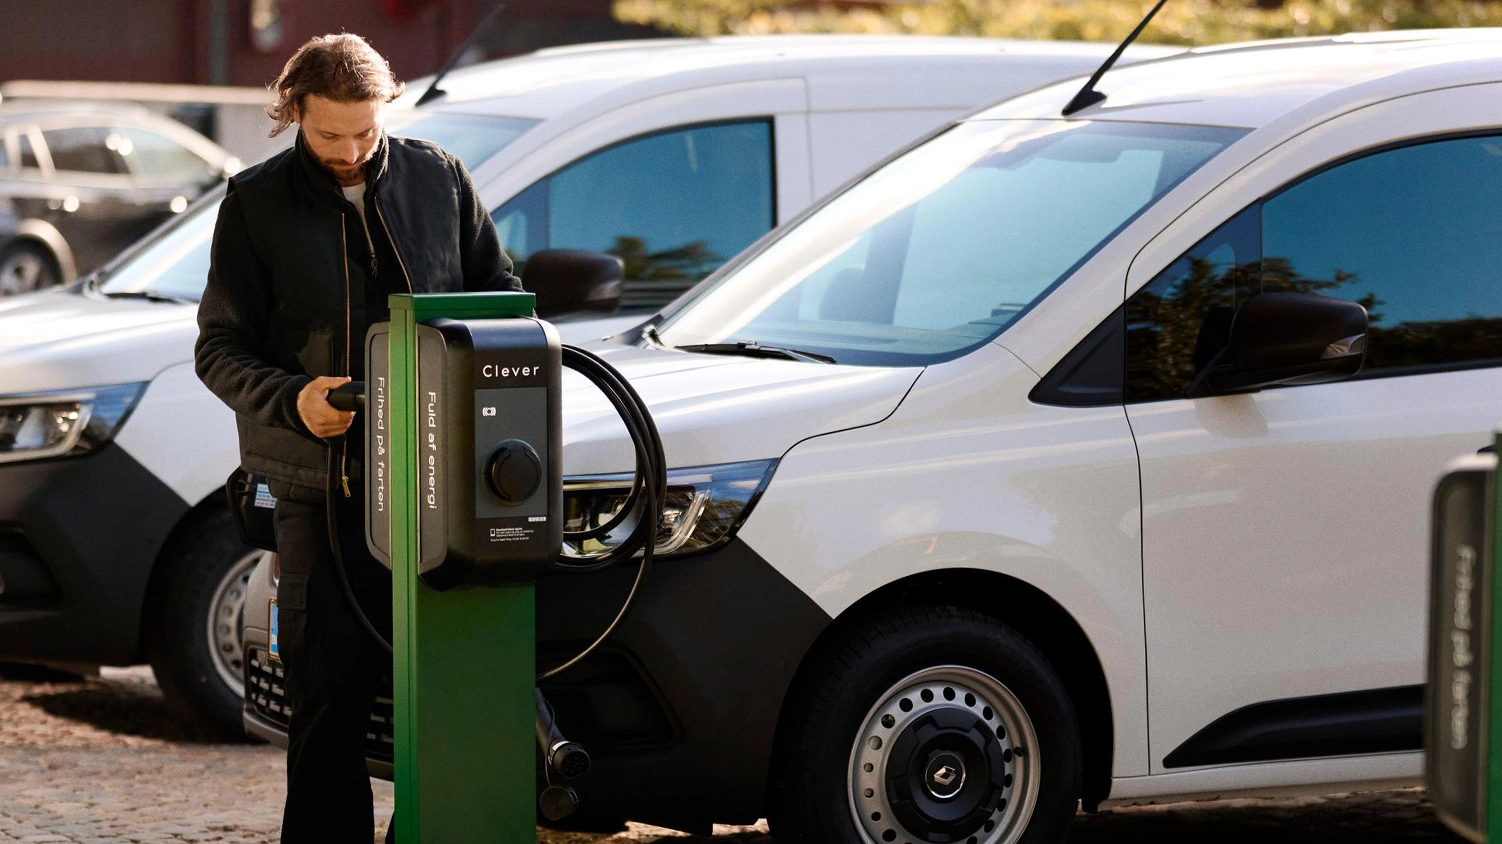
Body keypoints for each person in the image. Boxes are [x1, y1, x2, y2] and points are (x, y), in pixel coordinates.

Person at [195, 33, 520, 843]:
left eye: (366, 134)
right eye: (329, 135)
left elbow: (504, 301)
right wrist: (291, 399)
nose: (349, 152)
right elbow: (217, 349)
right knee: (328, 702)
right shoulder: (253, 203)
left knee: (449, 693)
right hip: (321, 495)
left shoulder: (439, 178)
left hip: (440, 490)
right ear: (292, 111)